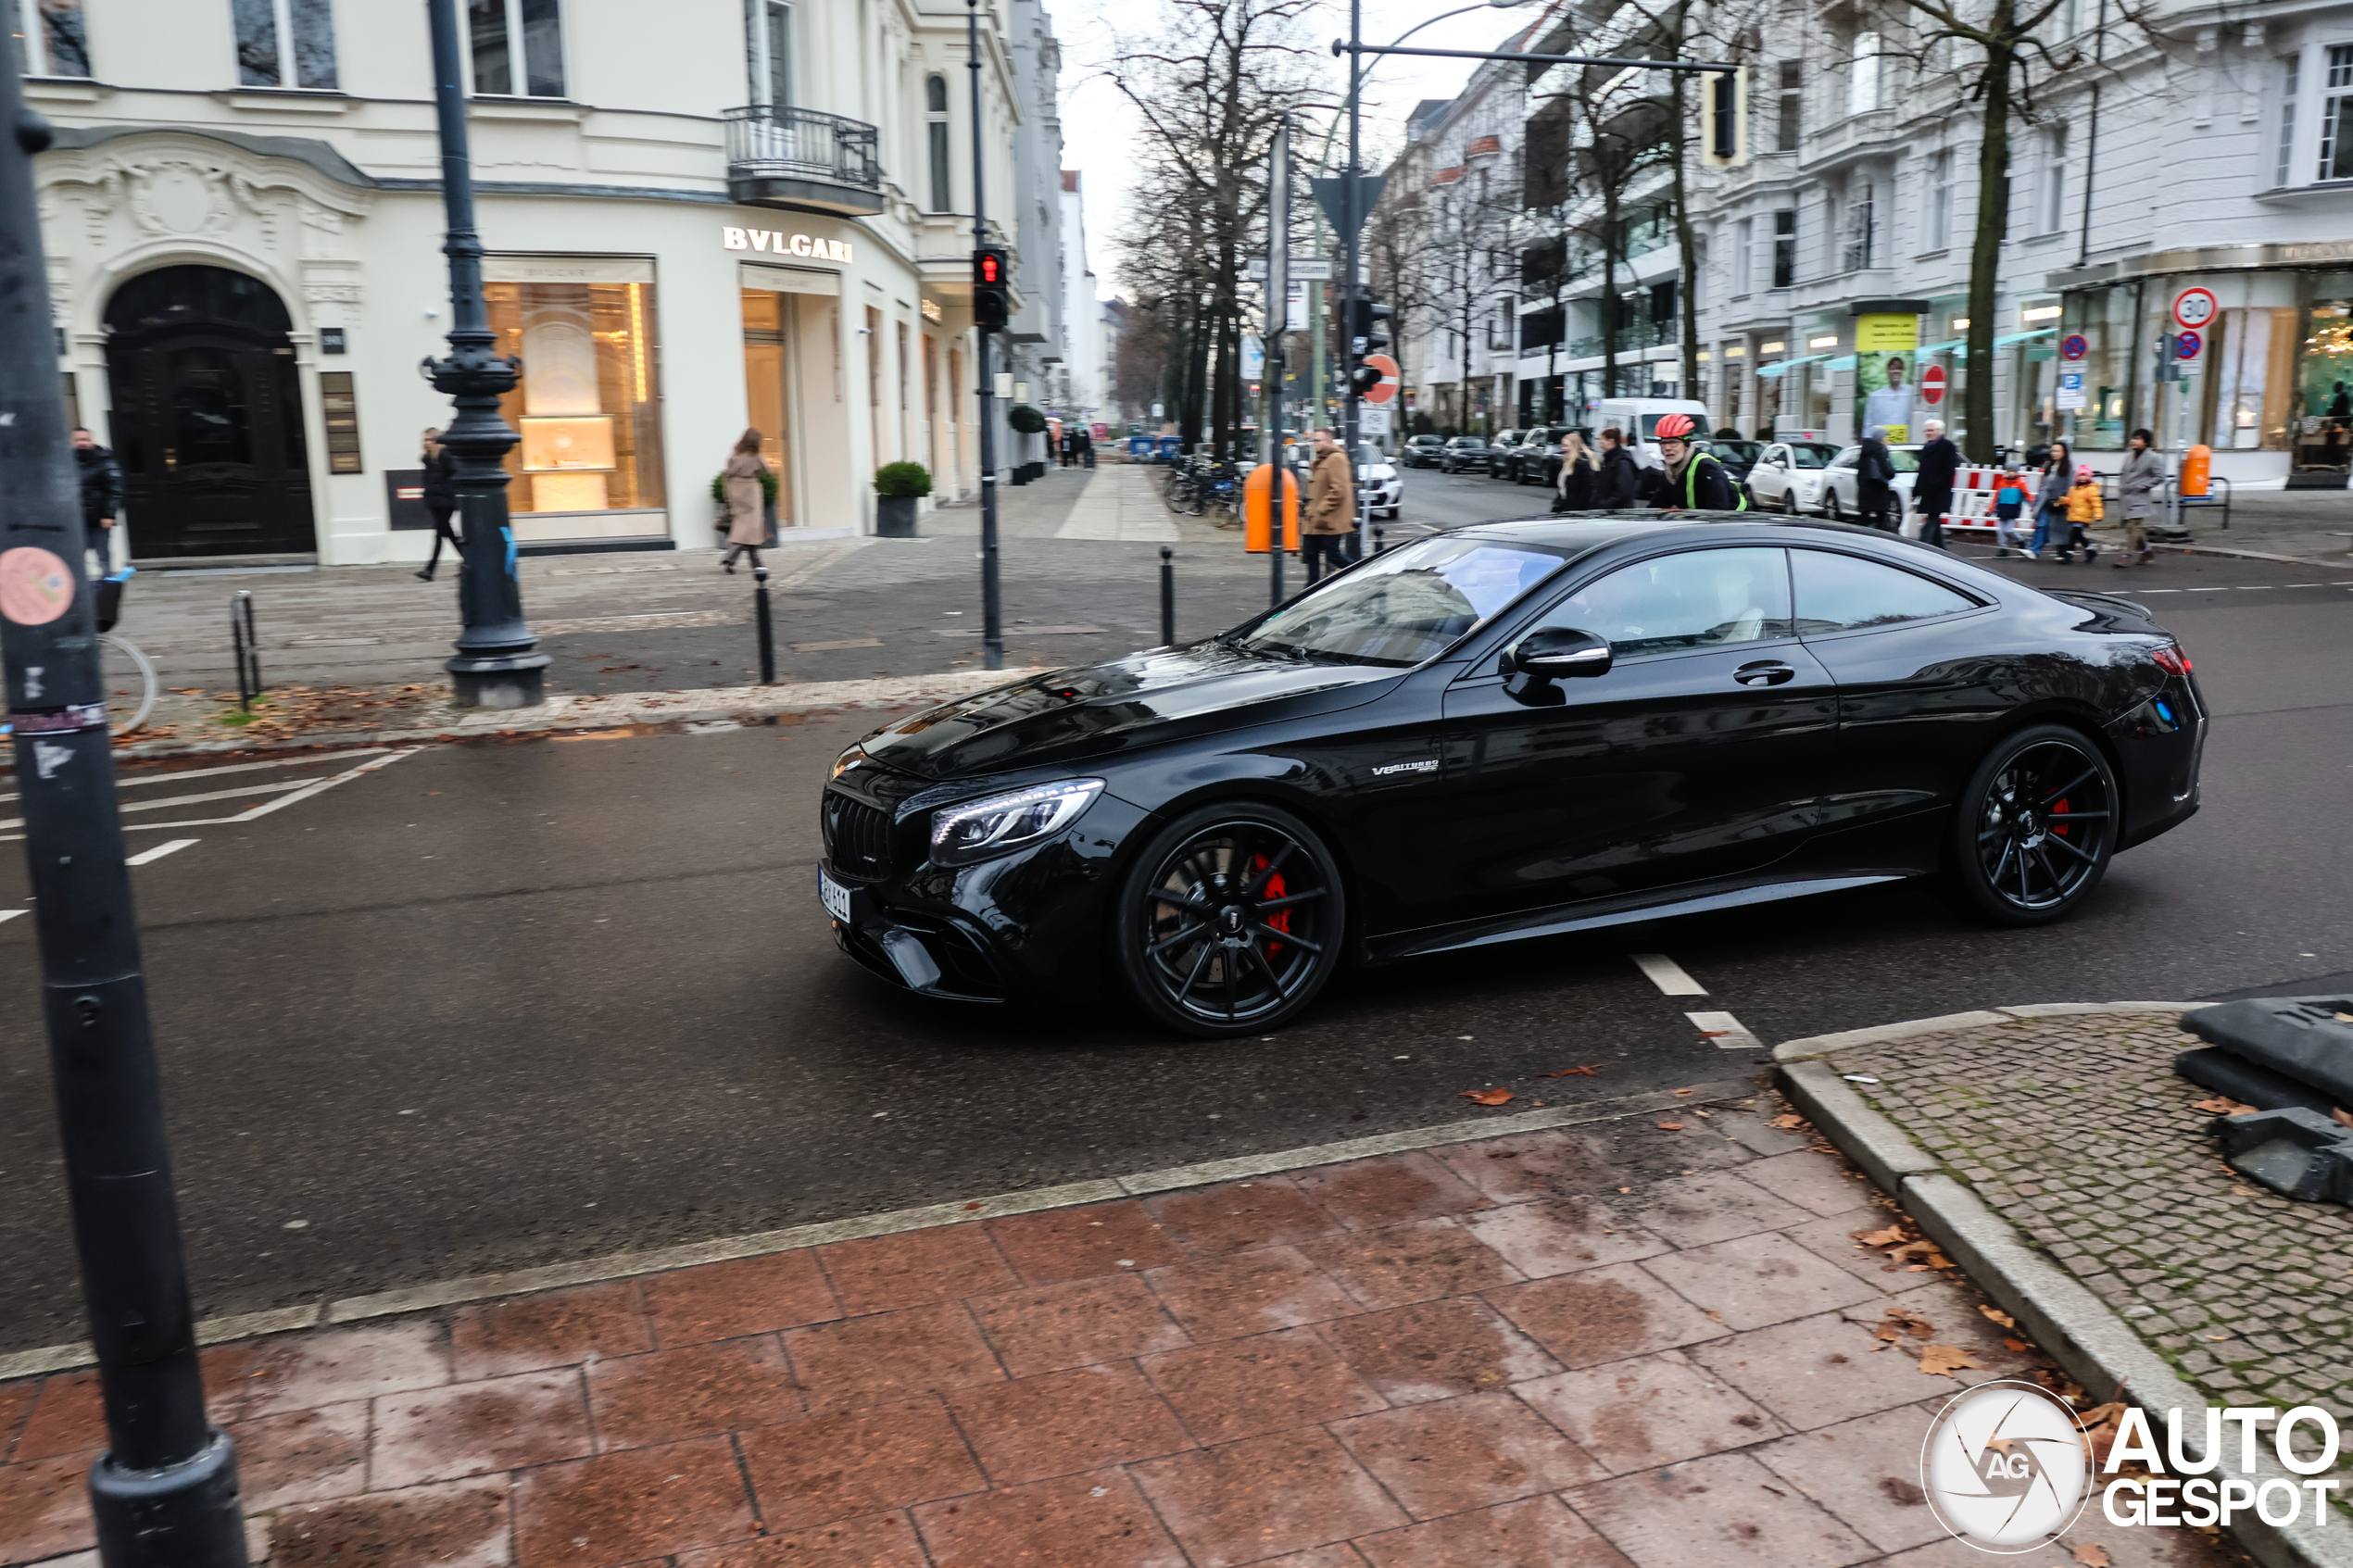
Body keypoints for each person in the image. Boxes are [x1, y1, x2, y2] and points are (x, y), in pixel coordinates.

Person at [1651, 412, 1745, 510]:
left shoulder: (1706, 467)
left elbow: (1718, 509)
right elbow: (1657, 505)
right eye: (1663, 443)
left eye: (1673, 443)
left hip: (1736, 520)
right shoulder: (1670, 472)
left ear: (1686, 445)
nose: (1667, 448)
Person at [1302, 428, 1355, 583]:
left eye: (1318, 440)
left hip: (1328, 520)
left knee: (1333, 555)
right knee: (1311, 555)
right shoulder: (1323, 459)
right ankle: (1310, 591)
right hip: (1314, 520)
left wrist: (1321, 509)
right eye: (1314, 440)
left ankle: (1363, 576)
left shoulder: (1336, 459)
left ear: (1329, 441)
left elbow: (1339, 490)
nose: (1314, 443)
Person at [70, 426, 122, 576]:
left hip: (98, 520)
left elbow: (115, 489)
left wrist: (109, 515)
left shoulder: (104, 461)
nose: (82, 443)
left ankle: (106, 591)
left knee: (103, 559)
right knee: (73, 559)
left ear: (91, 441)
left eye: (85, 439)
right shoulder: (64, 463)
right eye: (78, 440)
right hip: (74, 521)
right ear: (72, 442)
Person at [721, 428, 771, 573]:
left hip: (735, 489)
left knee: (743, 526)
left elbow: (728, 471)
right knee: (752, 527)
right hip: (750, 490)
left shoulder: (735, 454)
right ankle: (731, 557)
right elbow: (765, 471)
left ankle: (756, 563)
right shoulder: (755, 456)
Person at [415, 428, 461, 583]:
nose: (426, 443)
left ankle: (430, 569)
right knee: (448, 533)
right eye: (425, 440)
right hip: (434, 501)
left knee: (439, 534)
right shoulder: (428, 459)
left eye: (430, 439)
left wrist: (449, 491)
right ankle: (470, 561)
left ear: (437, 440)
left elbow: (455, 474)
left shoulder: (446, 456)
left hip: (446, 501)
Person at [2115, 428, 2165, 567]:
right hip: (2126, 497)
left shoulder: (2153, 458)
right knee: (2132, 528)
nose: (2133, 441)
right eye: (2133, 438)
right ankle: (2147, 550)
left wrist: (2143, 485)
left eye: (2137, 438)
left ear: (2146, 442)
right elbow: (2123, 474)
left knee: (2134, 526)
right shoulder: (2129, 456)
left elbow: (2160, 477)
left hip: (2140, 497)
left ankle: (2127, 555)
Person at [1911, 418, 1959, 549]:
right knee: (1934, 518)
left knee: (1933, 517)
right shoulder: (1926, 447)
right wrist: (1915, 492)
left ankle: (1922, 545)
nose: (1928, 433)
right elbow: (1922, 471)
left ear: (1939, 431)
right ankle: (1943, 549)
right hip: (1928, 490)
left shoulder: (1947, 446)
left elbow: (1949, 470)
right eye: (1926, 430)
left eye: (1931, 430)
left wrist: (1938, 484)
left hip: (1939, 491)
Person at [1856, 425, 1896, 530]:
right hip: (1878, 490)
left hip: (1865, 490)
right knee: (1881, 521)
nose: (1886, 440)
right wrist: (1892, 472)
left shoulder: (1864, 450)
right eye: (1885, 437)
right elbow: (1887, 470)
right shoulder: (1879, 450)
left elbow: (1859, 471)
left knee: (1864, 519)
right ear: (1880, 438)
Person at [1863, 358, 1914, 441]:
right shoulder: (1875, 396)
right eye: (1892, 368)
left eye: (1899, 368)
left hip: (1905, 444)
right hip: (1881, 444)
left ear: (1903, 371)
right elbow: (1868, 424)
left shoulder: (1911, 392)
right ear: (1887, 371)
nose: (1896, 371)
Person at [2063, 463, 2104, 563]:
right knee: (2078, 535)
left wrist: (2099, 514)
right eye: (2080, 475)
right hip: (2073, 515)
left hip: (2083, 517)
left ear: (2089, 477)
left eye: (2085, 475)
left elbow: (2096, 503)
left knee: (2073, 534)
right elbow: (2070, 500)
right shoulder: (2073, 489)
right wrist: (2063, 501)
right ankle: (2090, 550)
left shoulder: (2091, 490)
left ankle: (2069, 554)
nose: (2082, 478)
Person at [1595, 426, 1642, 508]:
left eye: (1602, 439)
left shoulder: (1622, 462)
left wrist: (1604, 504)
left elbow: (1623, 491)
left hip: (1617, 512)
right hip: (1610, 510)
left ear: (1611, 441)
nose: (1600, 444)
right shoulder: (1610, 460)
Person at [1553, 431, 1598, 511]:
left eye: (1566, 446)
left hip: (1576, 510)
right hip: (1564, 506)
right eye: (1563, 445)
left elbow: (1587, 491)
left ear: (1574, 446)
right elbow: (1562, 489)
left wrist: (1577, 509)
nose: (1563, 448)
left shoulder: (1582, 465)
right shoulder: (1565, 463)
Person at [1992, 466, 2029, 557]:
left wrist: (2032, 505)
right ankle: (2003, 548)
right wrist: (1991, 509)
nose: (2010, 473)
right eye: (2009, 471)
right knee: (2000, 531)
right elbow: (1996, 497)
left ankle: (2020, 540)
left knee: (2008, 530)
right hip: (2002, 508)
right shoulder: (2001, 483)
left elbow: (2026, 495)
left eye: (2013, 471)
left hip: (2013, 509)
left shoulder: (2020, 484)